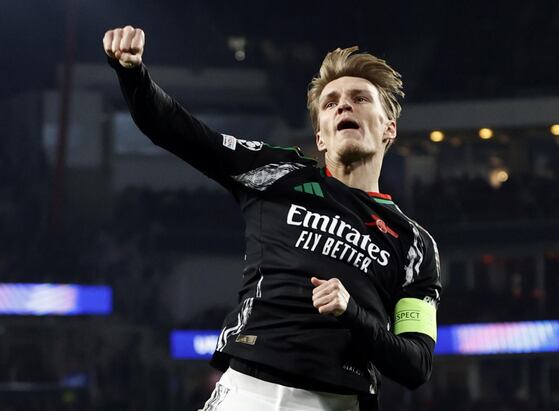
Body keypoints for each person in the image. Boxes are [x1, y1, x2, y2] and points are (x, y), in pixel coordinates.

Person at [103, 25, 442, 411]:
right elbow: (180, 131)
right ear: (320, 137)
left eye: (360, 98)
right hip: (250, 392)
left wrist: (353, 314)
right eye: (330, 103)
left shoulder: (414, 244)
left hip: (339, 401)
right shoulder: (278, 173)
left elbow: (416, 364)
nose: (343, 106)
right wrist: (132, 73)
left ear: (388, 128)